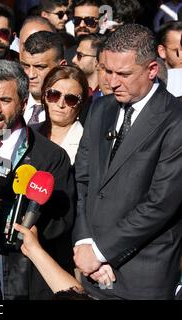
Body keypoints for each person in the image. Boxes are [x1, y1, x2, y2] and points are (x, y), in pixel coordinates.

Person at [73, 24, 182, 300]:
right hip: (93, 273)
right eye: (107, 71)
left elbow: (160, 203)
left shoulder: (175, 119)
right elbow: (83, 181)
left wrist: (99, 252)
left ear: (152, 70)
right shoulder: (99, 108)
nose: (112, 81)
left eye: (124, 73)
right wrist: (85, 242)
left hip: (144, 276)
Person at [0, 59, 75, 300]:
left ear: (23, 104)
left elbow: (59, 225)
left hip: (20, 277)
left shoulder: (50, 157)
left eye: (5, 100)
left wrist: (15, 210)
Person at [33, 65, 88, 164]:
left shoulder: (87, 143)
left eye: (71, 99)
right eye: (53, 95)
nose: (60, 104)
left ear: (81, 104)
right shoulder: (29, 133)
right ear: (44, 96)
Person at [20, 31, 66, 126]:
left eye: (40, 67)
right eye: (26, 66)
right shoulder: (12, 102)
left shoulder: (71, 107)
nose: (31, 75)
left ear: (61, 67)